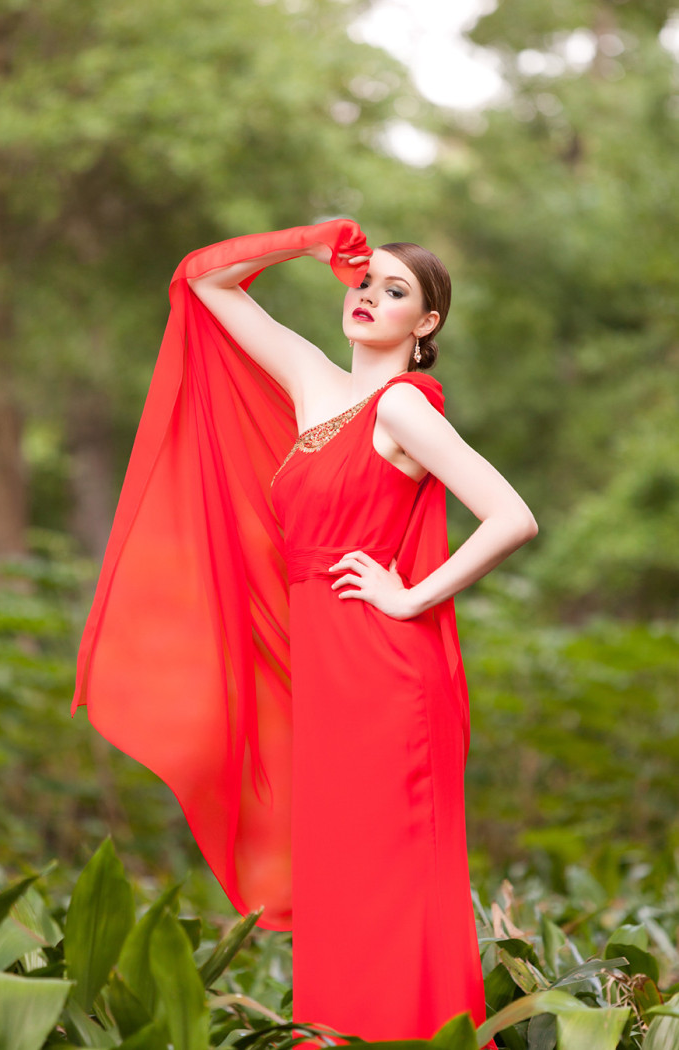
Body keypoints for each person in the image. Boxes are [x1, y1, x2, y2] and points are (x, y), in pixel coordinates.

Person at [72, 219, 537, 1044]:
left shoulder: (402, 407)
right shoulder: (314, 384)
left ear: (425, 326)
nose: (371, 297)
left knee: (391, 876)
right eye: (368, 283)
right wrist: (315, 242)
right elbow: (204, 281)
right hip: (325, 669)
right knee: (341, 877)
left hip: (386, 670)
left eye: (397, 292)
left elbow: (512, 516)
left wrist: (410, 596)